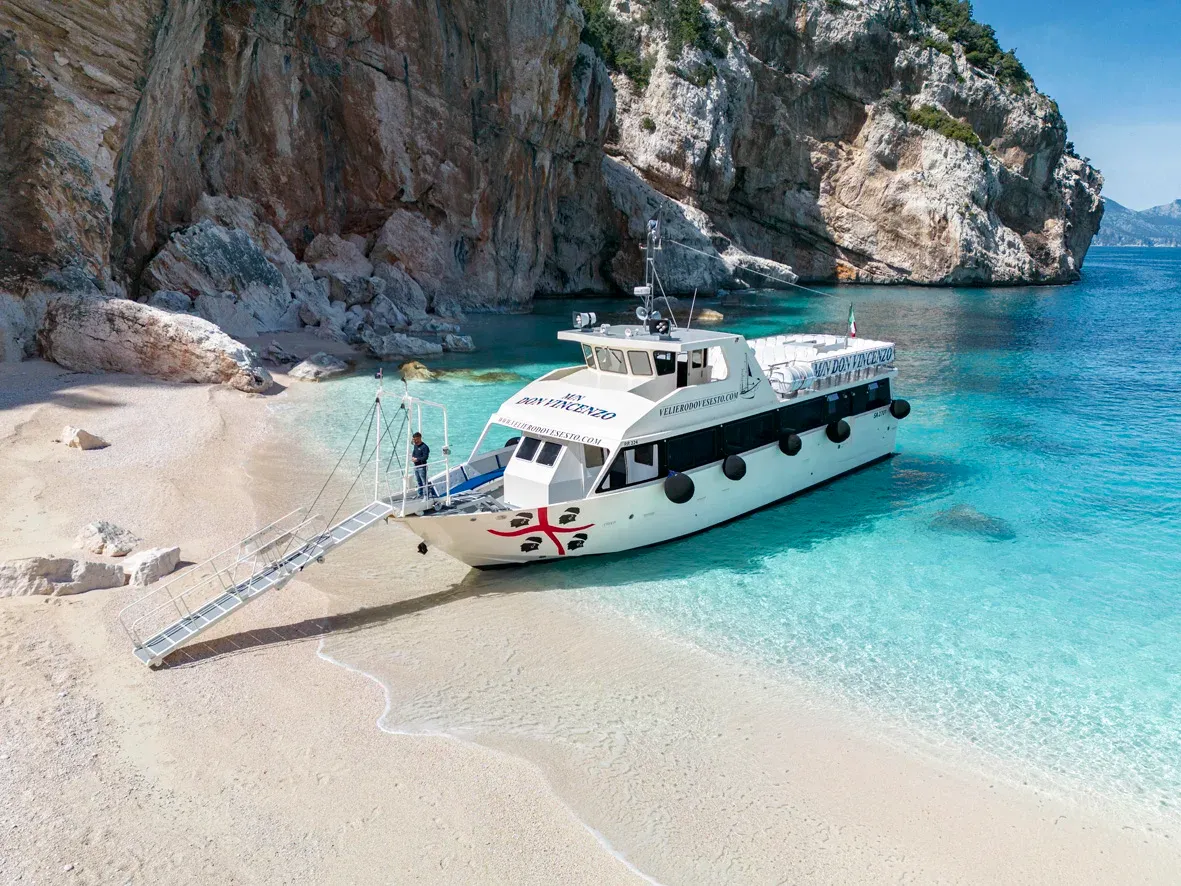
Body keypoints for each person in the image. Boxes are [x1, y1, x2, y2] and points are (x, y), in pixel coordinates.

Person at [411, 432, 436, 498]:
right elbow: (414, 453)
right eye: (414, 440)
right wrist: (413, 458)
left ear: (419, 438)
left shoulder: (425, 447)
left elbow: (425, 457)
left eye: (416, 439)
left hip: (422, 466)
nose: (415, 441)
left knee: (424, 481)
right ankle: (420, 493)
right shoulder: (415, 445)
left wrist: (417, 459)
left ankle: (426, 495)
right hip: (416, 466)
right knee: (418, 481)